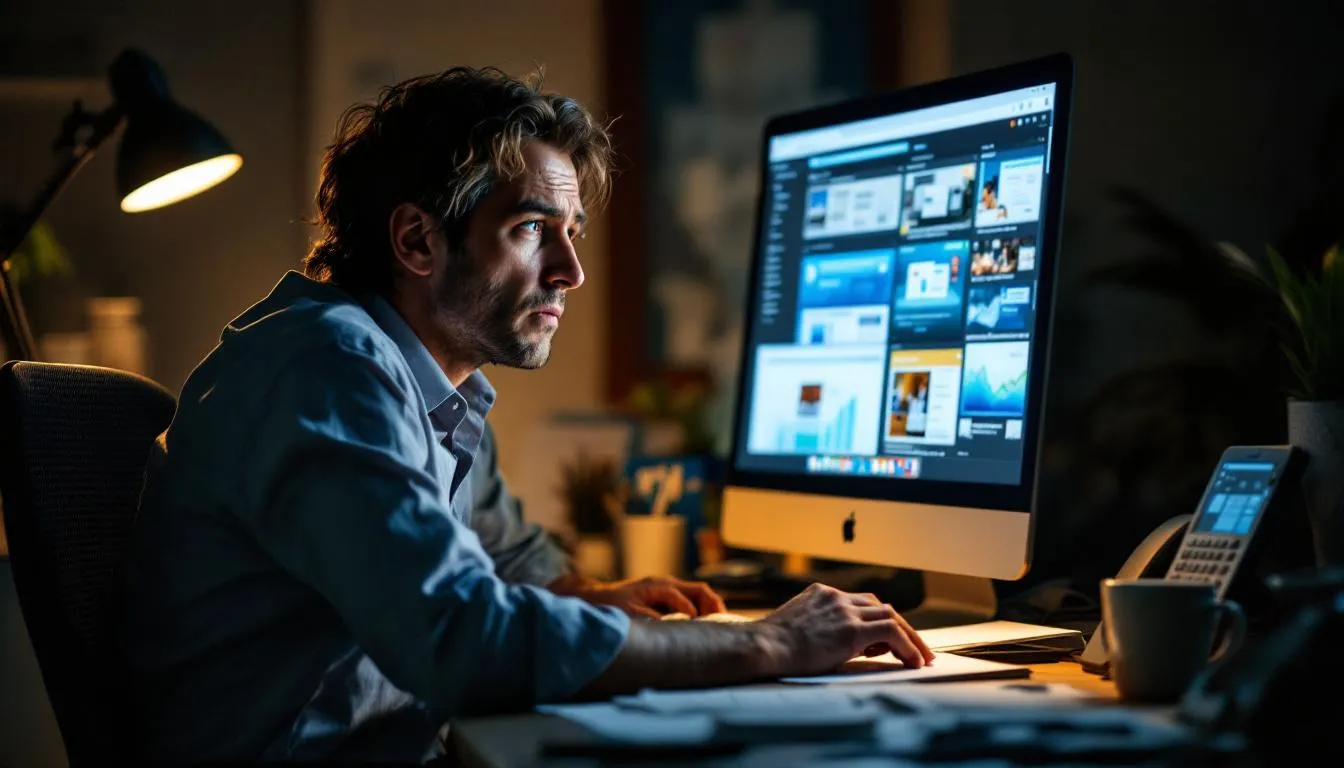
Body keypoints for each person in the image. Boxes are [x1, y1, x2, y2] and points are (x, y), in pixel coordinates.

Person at [123, 66, 932, 764]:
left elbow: (509, 563)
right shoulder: (327, 368)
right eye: (532, 229)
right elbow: (463, 637)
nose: (572, 270)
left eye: (572, 232)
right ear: (417, 240)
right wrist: (771, 643)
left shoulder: (433, 384)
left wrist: (602, 597)